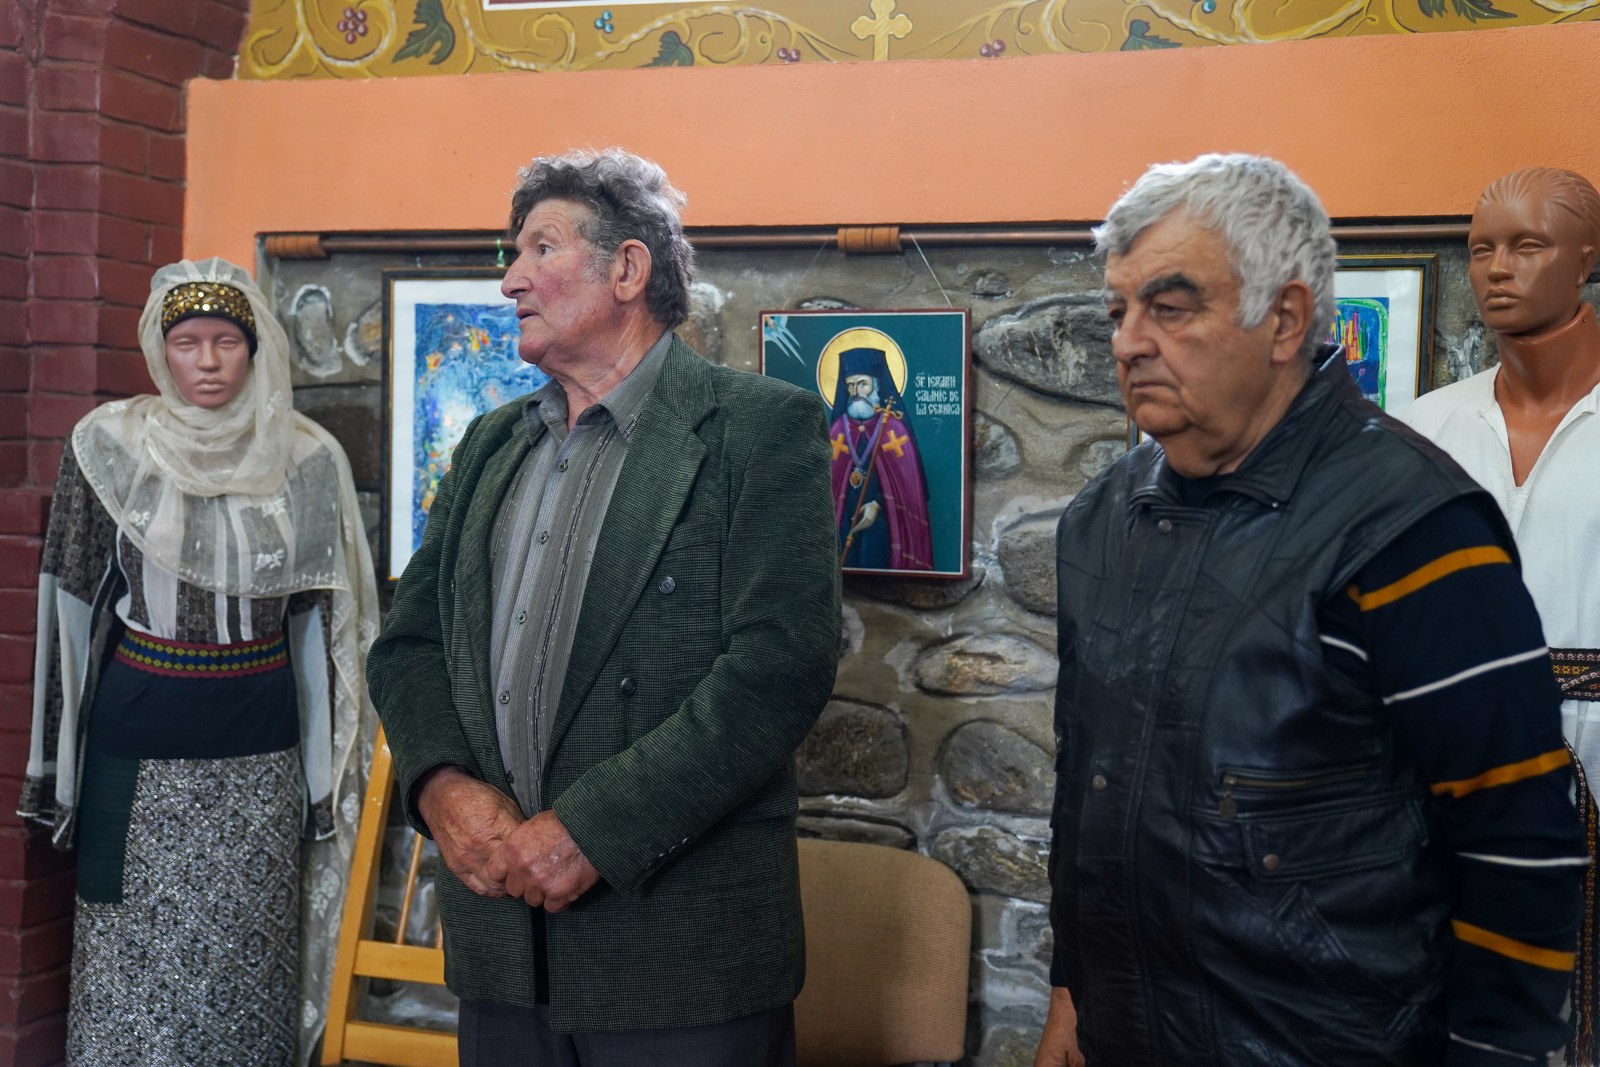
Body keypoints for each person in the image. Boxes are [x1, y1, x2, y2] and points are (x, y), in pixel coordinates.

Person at [1035, 153, 1586, 1067]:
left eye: (1170, 308)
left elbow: (1518, 837)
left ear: (1284, 319)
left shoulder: (1411, 526)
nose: (1128, 342)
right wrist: (1070, 989)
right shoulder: (1102, 517)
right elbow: (1086, 782)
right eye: (1118, 310)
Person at [366, 147, 840, 1067]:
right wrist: (440, 787)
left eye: (539, 249)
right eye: (512, 254)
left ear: (627, 269)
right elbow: (410, 642)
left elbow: (777, 669)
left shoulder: (756, 429)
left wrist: (592, 830)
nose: (510, 280)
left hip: (678, 956)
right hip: (503, 946)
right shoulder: (490, 444)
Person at [18, 258, 379, 1064]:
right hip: (135, 742)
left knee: (246, 960)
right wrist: (53, 770)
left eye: (226, 341)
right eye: (188, 342)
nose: (208, 361)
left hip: (259, 746)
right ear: (160, 349)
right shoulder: (108, 447)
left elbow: (325, 624)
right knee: (127, 962)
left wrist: (325, 784)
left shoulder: (307, 458)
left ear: (256, 349)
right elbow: (68, 599)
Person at [1403, 167, 1600, 1062]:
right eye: (1481, 248)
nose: (1497, 268)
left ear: (1585, 259)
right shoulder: (1422, 431)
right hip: (1453, 759)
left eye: (1527, 245)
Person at [827, 345, 933, 569]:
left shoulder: (893, 428)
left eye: (863, 384)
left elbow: (908, 486)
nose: (856, 391)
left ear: (877, 386)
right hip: (843, 519)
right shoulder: (837, 430)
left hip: (883, 524)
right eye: (850, 385)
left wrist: (877, 503)